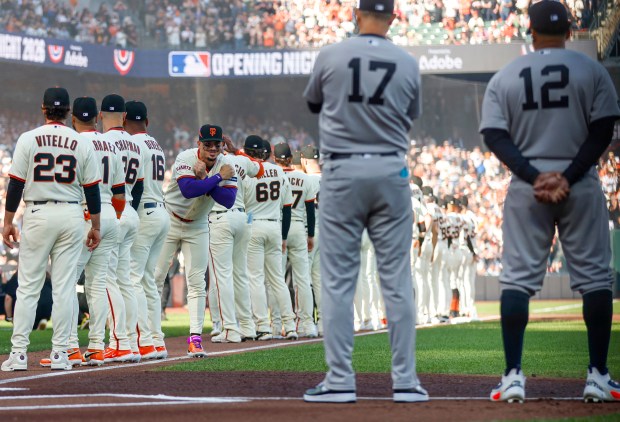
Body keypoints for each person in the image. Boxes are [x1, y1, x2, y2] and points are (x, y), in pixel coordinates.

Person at [480, 0, 620, 403]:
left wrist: (535, 175)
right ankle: (597, 374)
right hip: (580, 183)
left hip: (529, 188)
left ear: (531, 30)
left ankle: (512, 376)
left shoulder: (507, 75)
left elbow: (494, 134)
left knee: (516, 280)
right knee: (595, 279)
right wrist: (568, 175)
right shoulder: (591, 70)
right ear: (572, 30)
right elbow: (603, 129)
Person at [302, 0, 428, 403]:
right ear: (392, 17)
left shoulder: (331, 54)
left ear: (356, 15)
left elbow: (314, 103)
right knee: (396, 280)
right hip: (392, 170)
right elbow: (411, 115)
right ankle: (406, 382)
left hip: (342, 169)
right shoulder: (407, 62)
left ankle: (340, 380)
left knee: (339, 282)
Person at [2, 87, 102, 372]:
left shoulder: (29, 138)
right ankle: (60, 353)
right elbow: (92, 190)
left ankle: (19, 354)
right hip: (71, 212)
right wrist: (95, 225)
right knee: (64, 288)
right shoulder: (81, 142)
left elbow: (17, 184)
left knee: (29, 287)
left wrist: (8, 221)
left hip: (38, 211)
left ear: (43, 108)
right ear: (69, 112)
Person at [50, 96, 125, 367]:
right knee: (98, 284)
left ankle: (70, 347)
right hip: (109, 213)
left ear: (73, 119)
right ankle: (96, 347)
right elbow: (120, 191)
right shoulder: (110, 144)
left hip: (84, 213)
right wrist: (112, 219)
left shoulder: (73, 142)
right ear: (97, 116)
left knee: (67, 282)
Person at [154, 124, 237, 358]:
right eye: (207, 144)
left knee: (197, 281)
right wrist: (217, 178)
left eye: (216, 144)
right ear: (198, 143)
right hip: (170, 218)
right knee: (157, 277)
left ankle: (196, 338)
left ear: (222, 145)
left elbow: (228, 200)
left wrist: (207, 178)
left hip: (198, 224)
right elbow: (189, 190)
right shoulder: (185, 157)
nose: (212, 148)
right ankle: (153, 336)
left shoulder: (227, 164)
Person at [124, 100, 170, 359]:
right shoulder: (155, 144)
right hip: (160, 211)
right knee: (148, 281)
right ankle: (156, 341)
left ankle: (142, 342)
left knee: (133, 278)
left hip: (144, 212)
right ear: (147, 122)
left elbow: (135, 186)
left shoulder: (132, 144)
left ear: (123, 121)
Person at [100, 94, 143, 364]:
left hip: (111, 208)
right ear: (125, 116)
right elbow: (137, 186)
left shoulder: (103, 141)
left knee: (107, 278)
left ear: (102, 114)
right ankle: (131, 343)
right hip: (129, 209)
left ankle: (119, 343)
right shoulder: (134, 144)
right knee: (125, 280)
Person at [207, 135, 263, 343]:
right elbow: (260, 169)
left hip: (221, 217)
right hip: (241, 217)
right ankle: (247, 327)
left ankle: (230, 328)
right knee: (240, 274)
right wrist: (237, 150)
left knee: (222, 276)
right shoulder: (239, 159)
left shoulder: (211, 161)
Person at [243, 136, 298, 341]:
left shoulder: (247, 174)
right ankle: (290, 325)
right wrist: (283, 236)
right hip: (275, 225)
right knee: (278, 279)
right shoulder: (279, 172)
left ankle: (263, 327)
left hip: (254, 224)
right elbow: (287, 207)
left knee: (255, 278)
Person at [273, 142, 317, 337]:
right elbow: (310, 210)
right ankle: (307, 324)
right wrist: (311, 235)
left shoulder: (275, 176)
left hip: (279, 225)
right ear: (291, 158)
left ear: (275, 159)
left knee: (276, 279)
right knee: (303, 279)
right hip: (299, 227)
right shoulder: (305, 178)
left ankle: (276, 324)